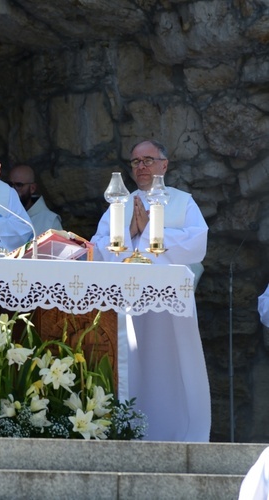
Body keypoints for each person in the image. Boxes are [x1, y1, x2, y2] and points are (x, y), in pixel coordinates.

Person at [90, 139, 210, 442]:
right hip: (128, 304)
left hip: (170, 308)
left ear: (164, 165)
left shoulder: (183, 202)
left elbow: (197, 244)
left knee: (172, 365)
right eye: (135, 162)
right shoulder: (120, 203)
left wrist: (151, 232)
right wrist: (131, 231)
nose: (141, 166)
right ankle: (130, 429)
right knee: (132, 363)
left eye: (148, 160)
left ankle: (179, 432)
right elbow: (97, 247)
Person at [8, 164, 63, 235]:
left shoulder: (50, 221)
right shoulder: (2, 211)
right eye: (9, 184)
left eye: (19, 185)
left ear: (32, 188)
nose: (13, 189)